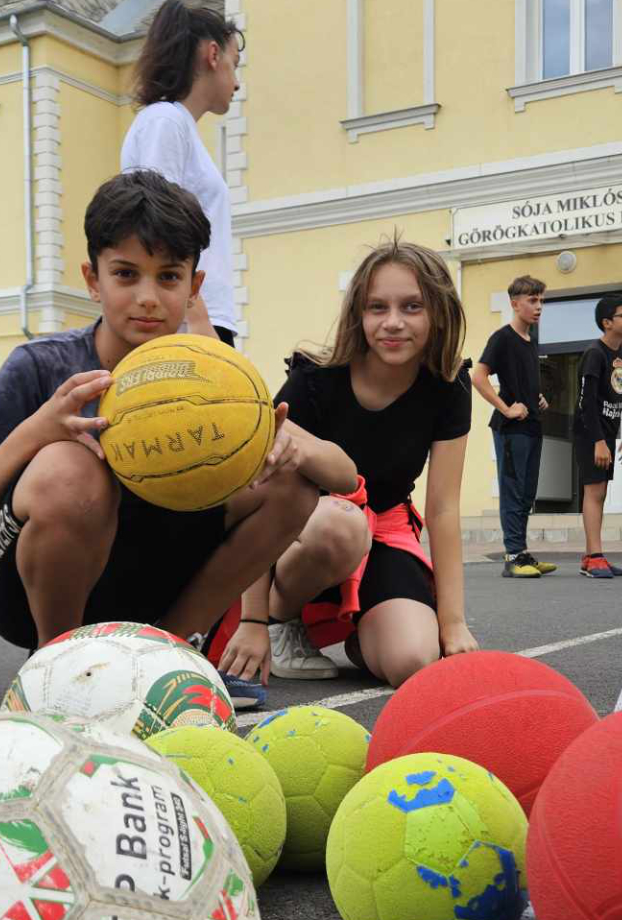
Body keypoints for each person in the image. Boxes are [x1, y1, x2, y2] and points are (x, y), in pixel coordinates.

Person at [0, 172, 329, 684]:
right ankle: (57, 671)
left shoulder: (213, 381)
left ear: (194, 287)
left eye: (167, 276)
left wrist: (274, 444)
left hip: (144, 583)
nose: (147, 297)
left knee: (288, 480)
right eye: (125, 274)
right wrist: (36, 431)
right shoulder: (40, 367)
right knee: (69, 466)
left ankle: (163, 656)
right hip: (20, 590)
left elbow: (336, 476)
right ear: (92, 279)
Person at [212, 239, 478, 690]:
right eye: (378, 307)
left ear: (438, 312)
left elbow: (444, 509)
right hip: (304, 540)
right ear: (359, 314)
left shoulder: (448, 386)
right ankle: (284, 620)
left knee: (414, 661)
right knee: (341, 523)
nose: (393, 323)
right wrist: (255, 619)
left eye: (411, 307)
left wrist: (453, 623)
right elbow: (257, 490)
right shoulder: (314, 381)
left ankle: (363, 637)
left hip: (385, 532)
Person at [121, 0, 242, 346]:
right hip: (191, 321)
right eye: (235, 65)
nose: (237, 83)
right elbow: (157, 226)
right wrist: (196, 316)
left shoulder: (176, 125)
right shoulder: (166, 120)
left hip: (200, 315)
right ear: (213, 54)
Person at [473, 276, 553, 578]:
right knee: (513, 491)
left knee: (528, 493)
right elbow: (478, 376)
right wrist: (506, 408)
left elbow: (521, 378)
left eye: (541, 300)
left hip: (532, 424)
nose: (538, 306)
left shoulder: (531, 341)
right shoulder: (502, 338)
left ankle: (522, 552)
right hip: (510, 428)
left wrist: (537, 397)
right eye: (532, 300)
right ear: (515, 303)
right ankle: (513, 556)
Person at [576, 296, 622, 576]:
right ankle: (595, 556)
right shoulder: (594, 353)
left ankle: (591, 556)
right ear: (607, 323)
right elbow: (586, 402)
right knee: (594, 491)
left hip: (609, 432)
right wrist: (599, 441)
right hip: (590, 432)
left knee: (600, 492)